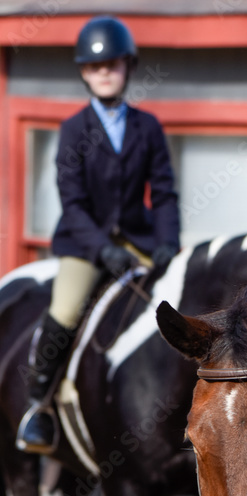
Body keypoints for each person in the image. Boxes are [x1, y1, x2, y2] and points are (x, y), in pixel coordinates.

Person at [17, 16, 180, 456]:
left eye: (112, 63)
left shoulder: (148, 127)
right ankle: (38, 407)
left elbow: (164, 193)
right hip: (84, 243)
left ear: (127, 66)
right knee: (67, 309)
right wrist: (102, 250)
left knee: (175, 303)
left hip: (137, 241)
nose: (104, 71)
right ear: (84, 73)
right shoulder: (73, 129)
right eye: (94, 66)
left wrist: (169, 241)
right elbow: (73, 204)